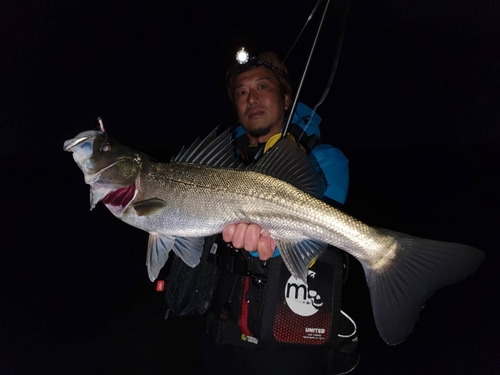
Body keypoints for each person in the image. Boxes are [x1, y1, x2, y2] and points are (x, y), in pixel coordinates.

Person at [163, 51, 358, 375]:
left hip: (287, 338)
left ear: (285, 98)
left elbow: (314, 237)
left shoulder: (324, 159)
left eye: (262, 86)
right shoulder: (219, 161)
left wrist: (269, 239)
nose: (251, 98)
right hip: (219, 332)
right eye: (241, 91)